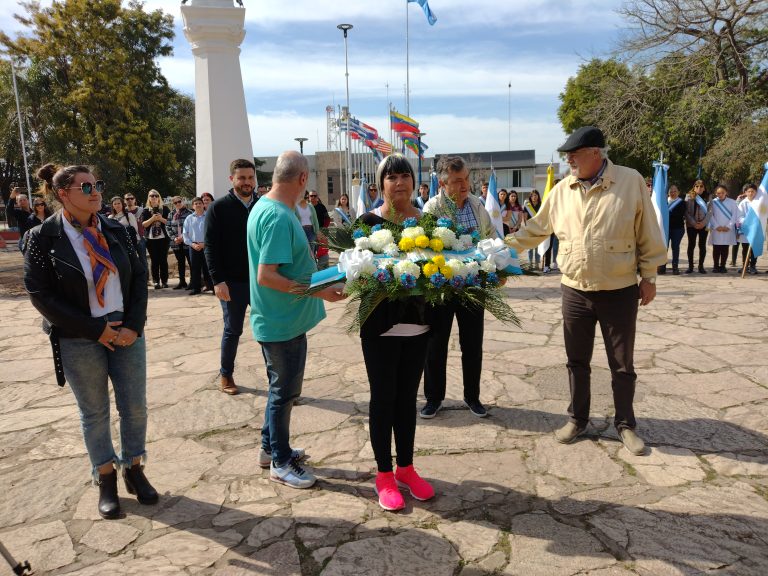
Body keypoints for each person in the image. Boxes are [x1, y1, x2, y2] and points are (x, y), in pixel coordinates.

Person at [505, 126, 666, 456]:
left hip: (619, 290)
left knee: (622, 364)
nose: (569, 161)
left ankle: (625, 424)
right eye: (567, 156)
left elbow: (648, 230)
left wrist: (648, 276)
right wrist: (499, 249)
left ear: (597, 153)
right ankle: (577, 419)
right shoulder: (563, 190)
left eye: (574, 155)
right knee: (576, 361)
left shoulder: (630, 180)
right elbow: (536, 230)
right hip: (575, 290)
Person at [24, 163, 156, 520]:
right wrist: (94, 330)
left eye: (96, 184)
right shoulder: (41, 237)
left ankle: (134, 468)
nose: (95, 191)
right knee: (95, 412)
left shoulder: (119, 230)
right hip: (79, 338)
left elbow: (139, 276)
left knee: (135, 407)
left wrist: (133, 325)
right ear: (62, 194)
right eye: (85, 187)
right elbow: (41, 295)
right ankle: (106, 476)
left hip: (125, 331)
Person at [247, 150, 346, 489]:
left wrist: (324, 282)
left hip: (282, 319)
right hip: (280, 321)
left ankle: (270, 448)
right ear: (303, 179)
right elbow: (267, 276)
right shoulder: (276, 216)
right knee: (284, 392)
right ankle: (281, 462)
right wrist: (318, 292)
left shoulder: (268, 207)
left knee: (281, 389)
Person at [359, 154, 436, 510]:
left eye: (405, 175)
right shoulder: (367, 223)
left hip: (419, 326)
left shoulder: (431, 225)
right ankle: (384, 475)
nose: (399, 182)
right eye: (391, 176)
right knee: (383, 399)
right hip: (380, 327)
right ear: (381, 184)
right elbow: (356, 275)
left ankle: (406, 467)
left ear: (414, 181)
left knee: (407, 400)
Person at [421, 155, 497, 419]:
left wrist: (498, 266)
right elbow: (424, 248)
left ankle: (472, 396)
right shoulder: (431, 209)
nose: (464, 185)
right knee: (436, 344)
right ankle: (433, 398)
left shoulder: (477, 205)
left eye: (465, 178)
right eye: (457, 181)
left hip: (473, 286)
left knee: (473, 344)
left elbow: (491, 239)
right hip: (442, 288)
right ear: (443, 184)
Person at [204, 159, 259, 395]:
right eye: (242, 178)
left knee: (268, 329)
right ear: (232, 179)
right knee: (232, 330)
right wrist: (218, 281)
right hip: (232, 283)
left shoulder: (263, 205)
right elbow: (210, 246)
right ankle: (226, 374)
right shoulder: (218, 208)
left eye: (250, 177)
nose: (247, 182)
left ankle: (275, 378)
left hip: (261, 281)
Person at [183, 197, 212, 294]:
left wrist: (205, 244)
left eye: (200, 203)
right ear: (193, 206)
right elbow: (185, 234)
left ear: (203, 204)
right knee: (195, 268)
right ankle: (196, 288)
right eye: (196, 204)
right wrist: (192, 244)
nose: (198, 205)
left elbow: (212, 232)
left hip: (206, 246)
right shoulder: (189, 218)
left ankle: (211, 287)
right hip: (194, 246)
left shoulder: (208, 216)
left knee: (208, 267)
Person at [142, 190, 170, 289]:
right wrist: (152, 219)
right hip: (150, 239)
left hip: (163, 238)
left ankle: (165, 281)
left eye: (156, 195)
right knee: (154, 260)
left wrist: (161, 219)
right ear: (149, 198)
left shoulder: (165, 209)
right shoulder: (145, 210)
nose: (154, 197)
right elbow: (144, 224)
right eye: (151, 196)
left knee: (163, 260)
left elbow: (169, 222)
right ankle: (156, 281)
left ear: (159, 197)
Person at [707, 184, 738, 273]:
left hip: (728, 229)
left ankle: (723, 266)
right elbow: (710, 215)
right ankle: (715, 266)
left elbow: (735, 215)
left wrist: (729, 226)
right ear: (715, 193)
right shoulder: (712, 202)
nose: (720, 195)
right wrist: (717, 226)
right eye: (718, 193)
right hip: (716, 229)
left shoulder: (732, 202)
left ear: (726, 193)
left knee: (725, 248)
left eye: (722, 193)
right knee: (716, 248)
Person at [685, 179, 711, 274]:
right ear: (694, 187)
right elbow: (686, 212)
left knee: (702, 245)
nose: (699, 188)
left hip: (703, 225)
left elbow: (710, 212)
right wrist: (694, 223)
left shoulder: (708, 197)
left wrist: (702, 223)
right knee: (691, 245)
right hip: (691, 225)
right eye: (697, 186)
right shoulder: (689, 196)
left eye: (701, 186)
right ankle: (690, 266)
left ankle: (701, 266)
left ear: (704, 188)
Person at [659, 185, 686, 275]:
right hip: (665, 228)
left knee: (675, 247)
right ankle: (662, 266)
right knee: (664, 248)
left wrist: (667, 214)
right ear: (668, 193)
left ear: (678, 192)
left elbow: (680, 214)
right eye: (671, 191)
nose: (673, 193)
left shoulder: (681, 202)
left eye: (675, 191)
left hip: (677, 228)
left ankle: (675, 267)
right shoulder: (664, 201)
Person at [167, 196, 192, 289]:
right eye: (175, 203)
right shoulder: (171, 214)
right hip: (176, 243)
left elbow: (191, 228)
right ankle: (182, 281)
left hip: (187, 242)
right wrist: (174, 238)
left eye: (179, 201)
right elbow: (168, 227)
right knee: (180, 262)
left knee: (190, 262)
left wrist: (183, 238)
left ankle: (193, 282)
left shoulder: (190, 213)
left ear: (183, 201)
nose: (178, 204)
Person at [736, 183, 759, 274]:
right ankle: (745, 265)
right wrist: (747, 221)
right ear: (745, 192)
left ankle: (753, 266)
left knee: (754, 248)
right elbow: (739, 216)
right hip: (746, 229)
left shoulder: (759, 202)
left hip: (756, 229)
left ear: (755, 192)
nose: (750, 193)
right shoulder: (743, 203)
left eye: (752, 191)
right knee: (745, 248)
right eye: (748, 191)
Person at [123, 193, 148, 272]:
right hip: (128, 240)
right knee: (130, 261)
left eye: (131, 198)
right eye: (127, 199)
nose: (130, 200)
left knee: (143, 259)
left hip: (140, 238)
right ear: (124, 201)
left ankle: (146, 280)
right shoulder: (123, 212)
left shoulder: (141, 210)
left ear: (135, 200)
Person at [308, 190, 330, 270]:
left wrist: (323, 230)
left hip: (321, 233)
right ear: (308, 197)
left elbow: (327, 219)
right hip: (310, 233)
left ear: (317, 197)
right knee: (311, 252)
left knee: (323, 254)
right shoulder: (306, 207)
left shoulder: (321, 207)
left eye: (315, 196)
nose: (313, 197)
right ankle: (313, 270)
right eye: (311, 196)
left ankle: (323, 270)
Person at [524, 190, 541, 269]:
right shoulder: (527, 205)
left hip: (538, 228)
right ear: (530, 197)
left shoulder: (541, 205)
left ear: (538, 196)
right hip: (530, 227)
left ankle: (537, 264)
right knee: (530, 246)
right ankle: (530, 263)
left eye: (536, 195)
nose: (534, 197)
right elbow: (525, 217)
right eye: (532, 195)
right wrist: (526, 226)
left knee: (538, 247)